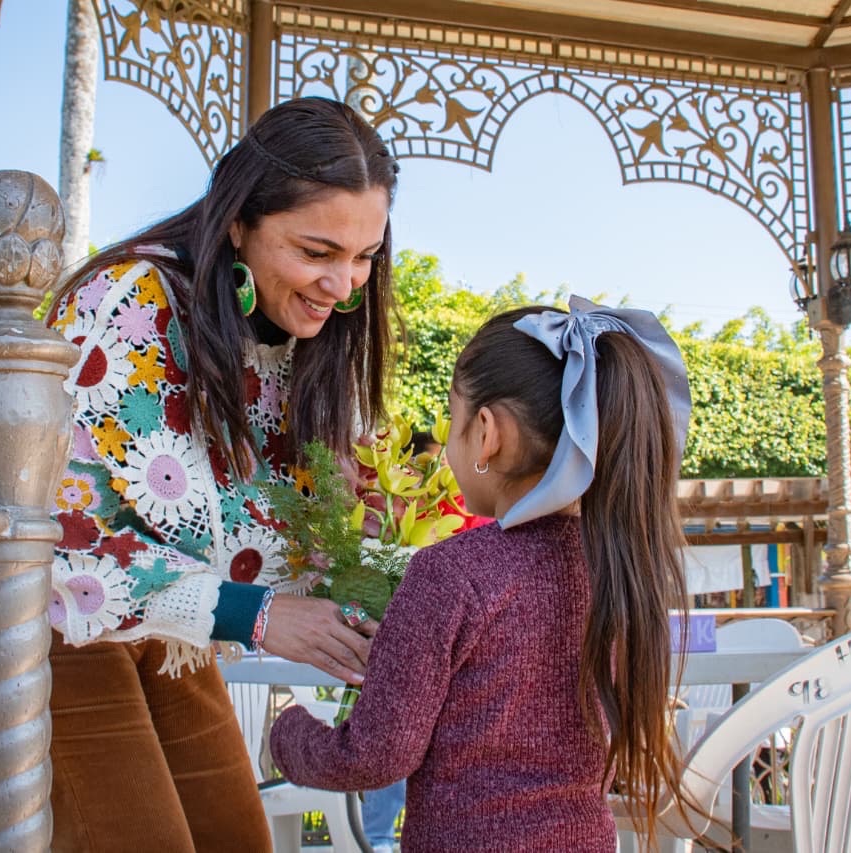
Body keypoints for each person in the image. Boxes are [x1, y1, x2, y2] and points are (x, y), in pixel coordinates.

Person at [44, 96, 399, 852]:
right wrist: (264, 615)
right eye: (317, 251)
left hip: (172, 628)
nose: (344, 286)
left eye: (364, 255)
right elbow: (64, 542)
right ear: (239, 221)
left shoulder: (311, 346)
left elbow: (308, 535)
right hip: (52, 619)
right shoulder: (129, 302)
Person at [269, 298, 695, 851]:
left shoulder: (450, 573)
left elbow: (375, 757)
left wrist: (287, 735)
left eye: (454, 419)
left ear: (488, 433)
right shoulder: (620, 571)